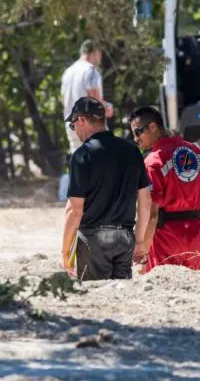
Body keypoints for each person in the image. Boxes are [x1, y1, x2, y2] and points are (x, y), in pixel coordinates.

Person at [61, 97, 152, 281]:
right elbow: (146, 201)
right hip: (125, 238)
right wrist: (140, 241)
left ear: (82, 120)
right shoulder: (132, 151)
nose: (75, 131)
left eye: (73, 125)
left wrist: (65, 251)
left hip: (94, 240)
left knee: (97, 300)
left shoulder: (82, 155)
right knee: (122, 297)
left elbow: (74, 210)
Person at [129, 106, 200, 272]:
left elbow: (152, 215)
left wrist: (141, 251)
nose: (135, 139)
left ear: (153, 127)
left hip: (166, 240)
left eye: (138, 132)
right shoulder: (197, 152)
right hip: (196, 237)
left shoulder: (153, 162)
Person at [60, 40, 114, 154]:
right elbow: (95, 100)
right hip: (91, 126)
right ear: (94, 52)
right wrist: (107, 108)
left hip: (72, 125)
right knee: (103, 163)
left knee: (80, 164)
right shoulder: (91, 70)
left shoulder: (67, 72)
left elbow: (63, 100)